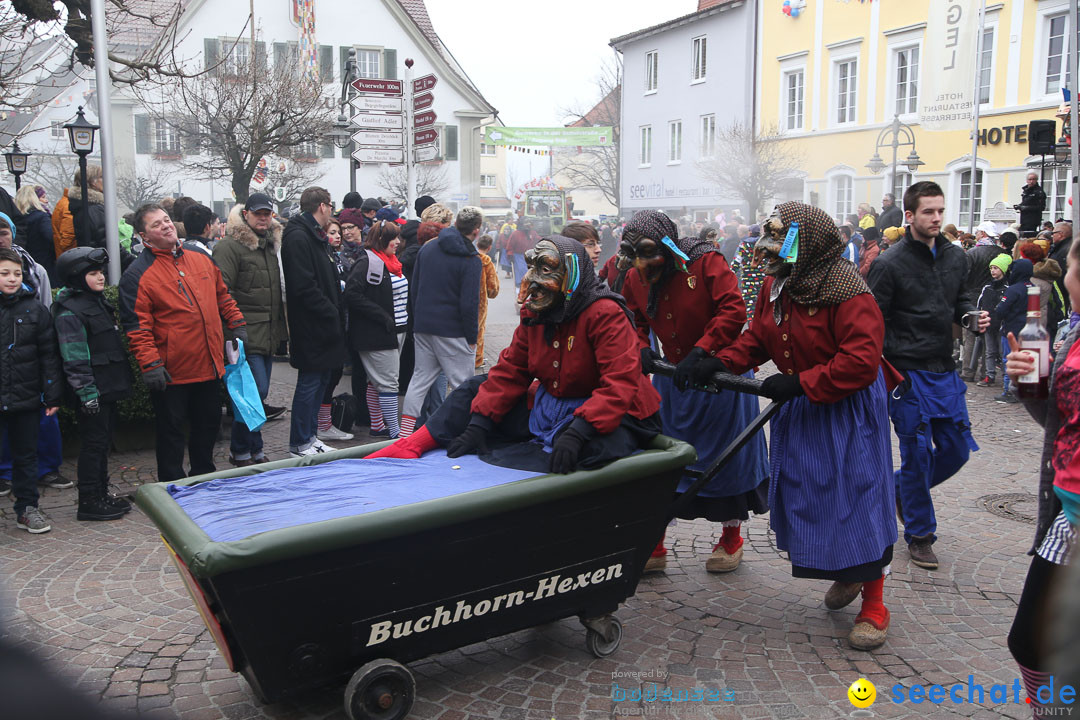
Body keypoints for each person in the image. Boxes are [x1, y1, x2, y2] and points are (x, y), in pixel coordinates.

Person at [696, 201, 900, 651]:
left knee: (857, 498)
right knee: (817, 497)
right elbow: (757, 338)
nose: (764, 247)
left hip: (844, 408)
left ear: (805, 242)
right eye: (765, 236)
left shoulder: (849, 290)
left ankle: (874, 602)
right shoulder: (777, 283)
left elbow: (861, 361)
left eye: (777, 237)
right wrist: (716, 361)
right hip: (805, 407)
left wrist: (803, 382)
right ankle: (848, 573)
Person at [367, 235, 663, 475]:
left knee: (585, 450)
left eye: (546, 270)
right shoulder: (535, 312)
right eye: (532, 268)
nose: (533, 279)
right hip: (554, 405)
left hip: (614, 412)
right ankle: (412, 444)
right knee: (474, 389)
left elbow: (620, 382)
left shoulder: (605, 313)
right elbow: (511, 371)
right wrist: (479, 424)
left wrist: (580, 430)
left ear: (571, 273)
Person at [618, 210, 769, 574]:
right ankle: (655, 540)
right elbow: (633, 315)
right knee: (668, 458)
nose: (642, 264)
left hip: (720, 375)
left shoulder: (704, 262)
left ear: (667, 247)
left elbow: (733, 309)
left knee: (726, 456)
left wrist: (704, 349)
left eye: (648, 253)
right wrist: (640, 345)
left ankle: (730, 538)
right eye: (634, 255)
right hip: (674, 381)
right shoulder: (634, 276)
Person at [867, 181, 989, 571]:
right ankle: (920, 534)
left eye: (940, 211)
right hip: (906, 373)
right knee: (917, 454)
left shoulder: (957, 257)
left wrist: (971, 316)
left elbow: (962, 300)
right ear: (909, 216)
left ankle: (899, 492)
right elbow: (872, 322)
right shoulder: (889, 263)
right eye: (928, 212)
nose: (937, 218)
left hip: (943, 368)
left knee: (955, 450)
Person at [1003, 235, 1080, 718]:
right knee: (1029, 643)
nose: (1066, 281)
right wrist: (1034, 385)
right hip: (1067, 513)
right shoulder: (1073, 333)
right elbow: (1061, 421)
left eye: (1069, 269)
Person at [119, 203, 247, 482]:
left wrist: (236, 323)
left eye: (166, 220)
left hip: (209, 364)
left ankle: (203, 477)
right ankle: (172, 483)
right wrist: (151, 365)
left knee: (208, 426)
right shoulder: (137, 275)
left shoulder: (199, 257)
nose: (165, 225)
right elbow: (138, 327)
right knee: (171, 432)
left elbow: (222, 295)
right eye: (156, 224)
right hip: (172, 371)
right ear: (144, 236)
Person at [52, 247, 133, 521]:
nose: (101, 278)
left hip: (106, 387)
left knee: (102, 442)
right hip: (93, 391)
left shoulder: (95, 301)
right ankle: (88, 499)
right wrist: (87, 393)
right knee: (93, 445)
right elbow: (74, 357)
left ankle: (100, 493)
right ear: (77, 277)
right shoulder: (70, 311)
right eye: (94, 273)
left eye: (101, 272)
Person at [214, 194, 288, 465]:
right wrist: (233, 330)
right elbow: (222, 291)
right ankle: (241, 449)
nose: (263, 218)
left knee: (258, 393)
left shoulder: (269, 245)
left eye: (267, 213)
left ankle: (253, 449)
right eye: (258, 213)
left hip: (266, 333)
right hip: (243, 335)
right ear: (246, 214)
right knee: (252, 392)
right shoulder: (230, 247)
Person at [399, 207, 484, 438]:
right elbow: (469, 303)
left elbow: (415, 288)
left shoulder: (428, 248)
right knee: (463, 384)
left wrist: (418, 321)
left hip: (424, 326)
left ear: (455, 223)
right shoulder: (471, 259)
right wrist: (471, 338)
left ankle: (405, 434)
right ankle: (464, 432)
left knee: (419, 380)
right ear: (476, 231)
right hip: (453, 330)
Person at [0, 247, 61, 533]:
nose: (12, 279)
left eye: (16, 273)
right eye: (4, 273)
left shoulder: (35, 309)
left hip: (25, 395)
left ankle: (27, 508)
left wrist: (51, 393)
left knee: (26, 455)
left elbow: (49, 355)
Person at [281, 187, 345, 457]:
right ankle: (299, 442)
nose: (331, 210)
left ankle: (310, 436)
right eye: (330, 205)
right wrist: (329, 311)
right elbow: (303, 285)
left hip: (322, 323)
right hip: (311, 324)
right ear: (322, 206)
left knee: (320, 380)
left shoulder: (313, 236)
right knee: (310, 381)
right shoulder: (298, 236)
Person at [345, 220, 409, 439]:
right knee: (389, 383)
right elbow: (352, 295)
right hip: (379, 333)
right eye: (394, 239)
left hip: (394, 330)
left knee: (377, 381)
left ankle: (378, 425)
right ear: (382, 240)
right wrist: (381, 316)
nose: (398, 243)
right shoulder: (368, 262)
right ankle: (395, 431)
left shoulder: (391, 262)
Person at [960, 224, 1007, 381]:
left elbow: (963, 276)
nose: (976, 235)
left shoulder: (972, 253)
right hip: (994, 299)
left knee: (971, 337)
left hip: (973, 298)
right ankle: (986, 372)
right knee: (989, 337)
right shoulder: (1002, 253)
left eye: (978, 232)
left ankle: (968, 371)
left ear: (983, 233)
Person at [992, 258, 1035, 404]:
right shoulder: (1034, 287)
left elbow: (1001, 310)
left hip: (1012, 330)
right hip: (1030, 329)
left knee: (1009, 360)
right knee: (1026, 361)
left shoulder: (1014, 289)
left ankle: (1009, 391)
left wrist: (998, 310)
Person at [975, 255, 1012, 389]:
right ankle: (990, 375)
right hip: (988, 324)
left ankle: (1005, 376)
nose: (993, 271)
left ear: (1003, 269)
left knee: (1003, 352)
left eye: (995, 268)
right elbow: (980, 304)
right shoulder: (987, 287)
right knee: (989, 351)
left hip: (1001, 325)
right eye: (991, 268)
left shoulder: (1008, 288)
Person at [14, 185, 55, 282]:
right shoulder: (42, 217)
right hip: (45, 262)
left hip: (26, 261)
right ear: (34, 199)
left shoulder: (17, 218)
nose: (47, 201)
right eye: (43, 197)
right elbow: (50, 238)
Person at [474, 233, 500, 369]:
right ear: (489, 247)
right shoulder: (486, 261)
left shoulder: (468, 256)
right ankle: (477, 359)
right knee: (478, 331)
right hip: (480, 303)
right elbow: (492, 290)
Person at [67, 164, 106, 250]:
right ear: (93, 182)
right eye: (101, 177)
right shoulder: (94, 208)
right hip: (100, 259)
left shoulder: (81, 205)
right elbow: (105, 241)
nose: (105, 180)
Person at [736, 224, 766, 321]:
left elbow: (737, 261)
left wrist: (731, 273)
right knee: (763, 303)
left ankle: (752, 325)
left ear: (749, 233)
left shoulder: (744, 245)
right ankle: (762, 324)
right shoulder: (764, 244)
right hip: (762, 278)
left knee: (750, 304)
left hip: (748, 279)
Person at [507, 220, 537, 287]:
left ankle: (529, 284)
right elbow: (510, 245)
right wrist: (510, 254)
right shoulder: (515, 233)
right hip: (518, 256)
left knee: (531, 271)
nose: (527, 226)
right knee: (522, 270)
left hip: (530, 255)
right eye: (525, 224)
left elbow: (538, 240)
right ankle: (521, 285)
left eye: (528, 224)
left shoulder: (532, 233)